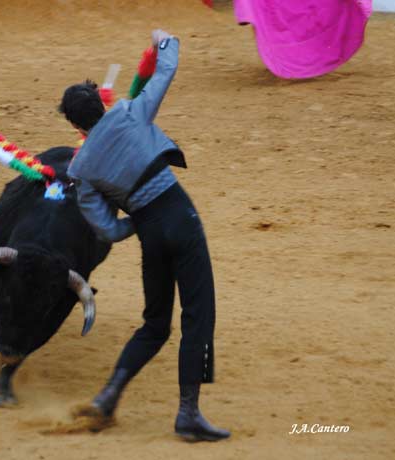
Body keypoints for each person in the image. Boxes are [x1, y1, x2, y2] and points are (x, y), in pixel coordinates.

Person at [59, 29, 230, 442]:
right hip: (181, 217)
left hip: (150, 234)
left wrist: (140, 221)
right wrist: (163, 39)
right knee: (198, 317)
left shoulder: (80, 170)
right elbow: (167, 69)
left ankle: (107, 396)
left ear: (74, 124)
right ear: (100, 104)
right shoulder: (129, 112)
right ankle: (187, 413)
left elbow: (107, 229)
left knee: (155, 324)